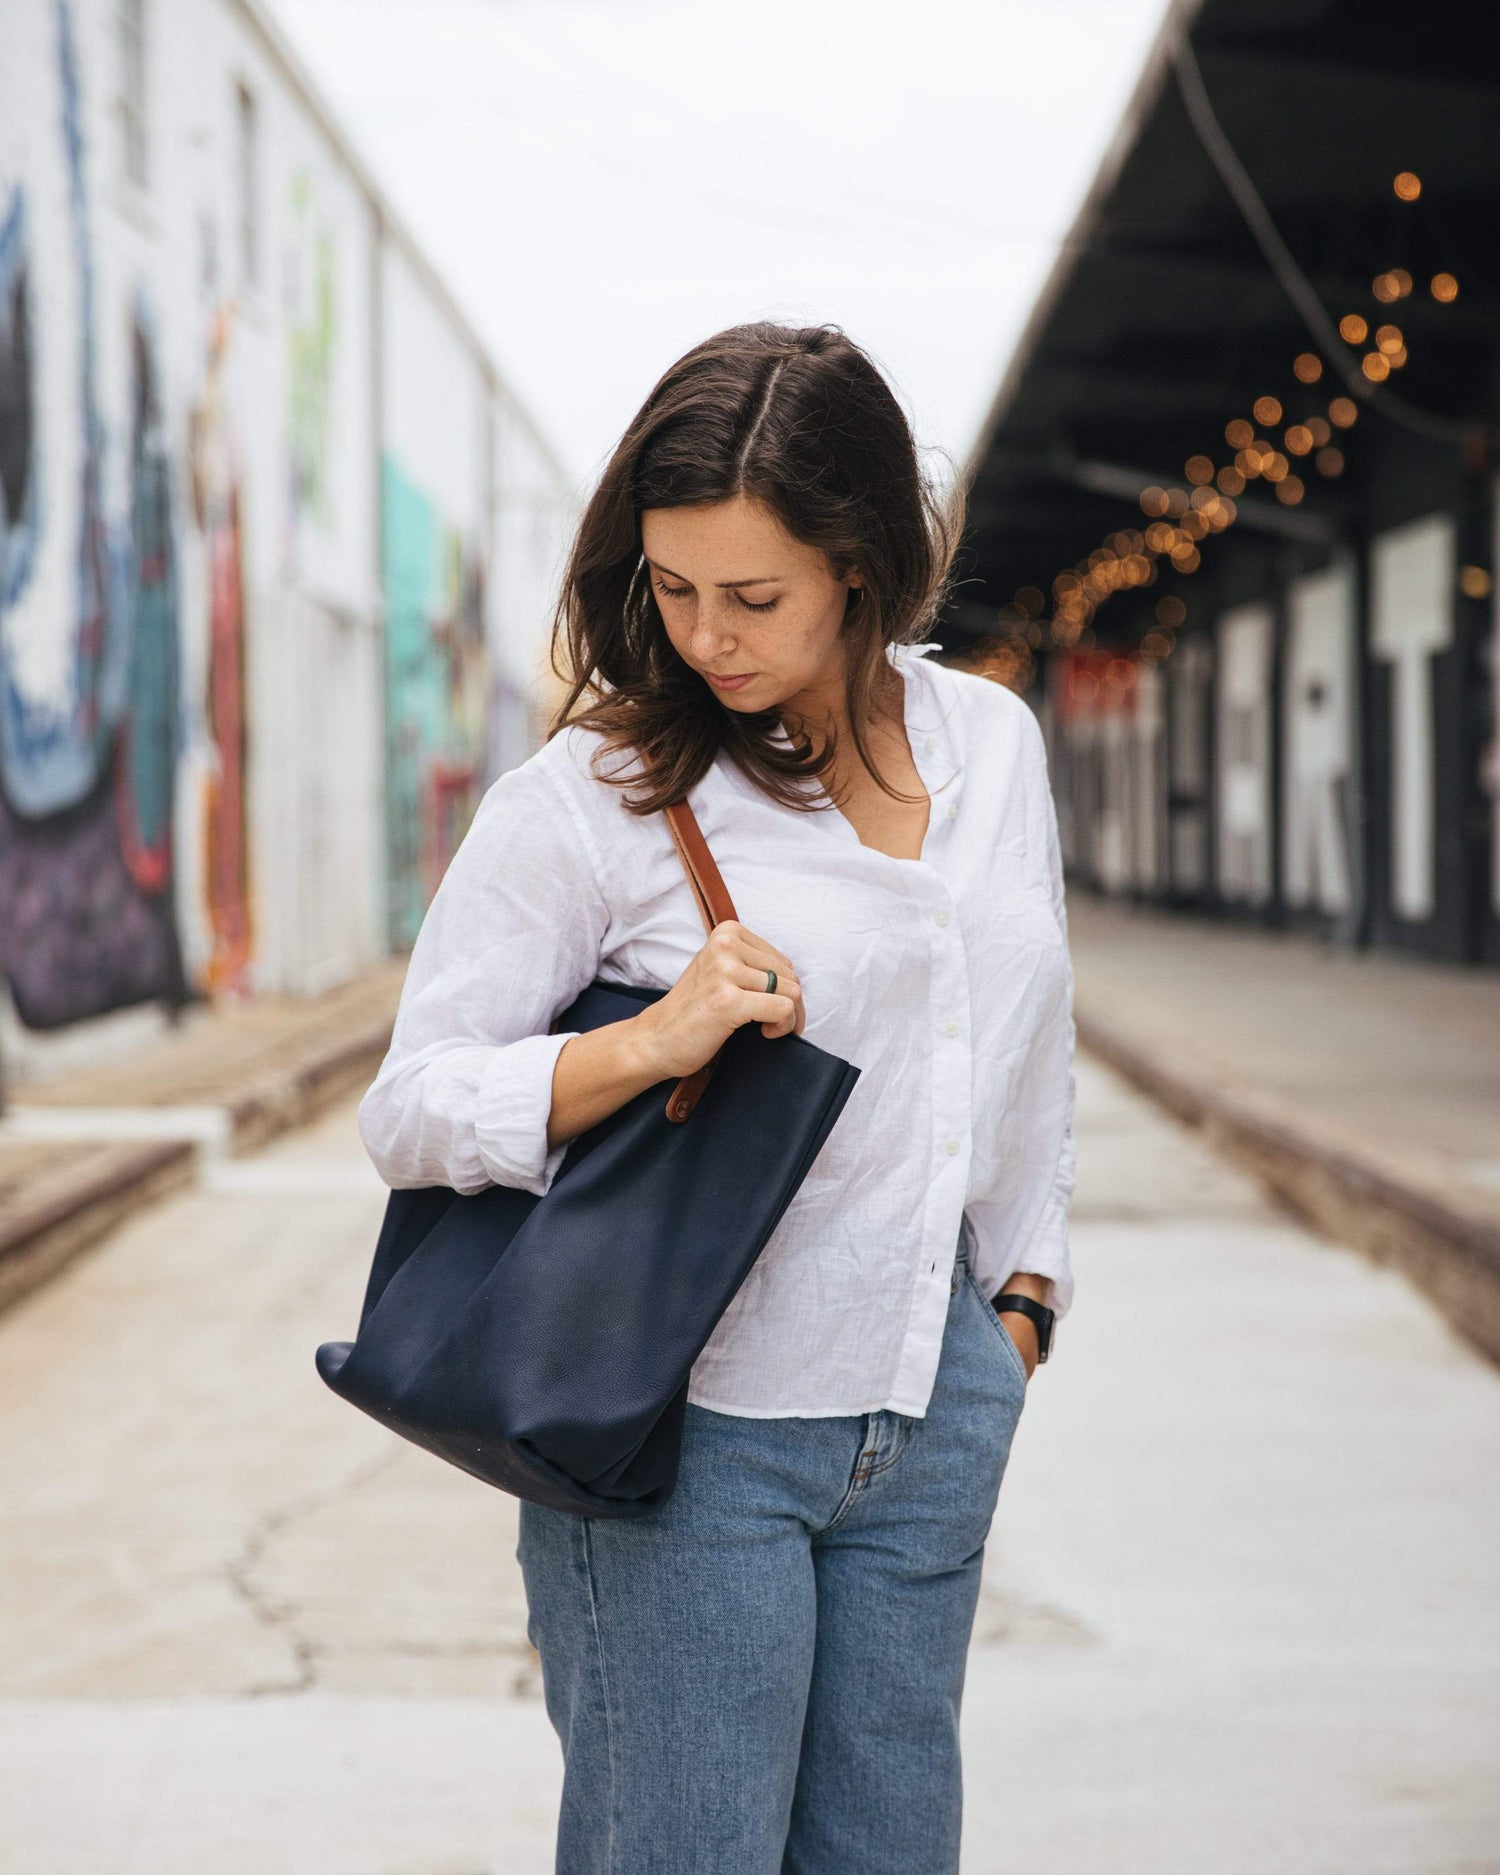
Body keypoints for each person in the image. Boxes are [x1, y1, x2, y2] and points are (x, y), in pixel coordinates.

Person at [357, 322, 1076, 1875]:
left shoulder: (995, 749)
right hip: (690, 1427)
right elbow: (410, 1106)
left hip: (931, 1402)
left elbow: (1026, 1043)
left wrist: (1022, 1305)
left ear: (862, 564)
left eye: (753, 597)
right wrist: (646, 1044)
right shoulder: (599, 798)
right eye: (672, 590)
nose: (705, 636)